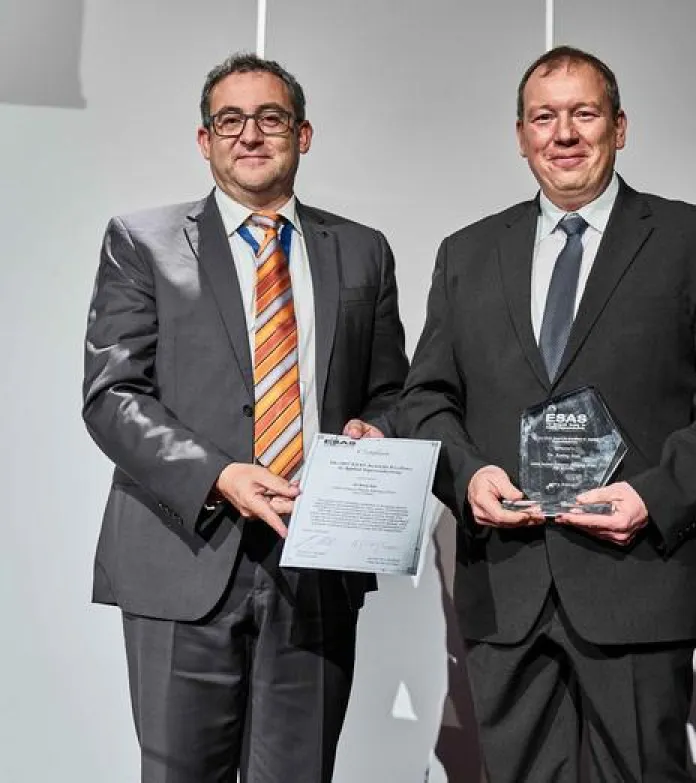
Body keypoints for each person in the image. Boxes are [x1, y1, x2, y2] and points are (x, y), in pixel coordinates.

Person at [384, 46, 696, 781]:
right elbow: (425, 398)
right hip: (507, 590)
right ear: (521, 134)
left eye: (584, 113)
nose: (563, 133)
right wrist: (467, 478)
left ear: (620, 127)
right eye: (544, 116)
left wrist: (655, 497)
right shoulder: (465, 253)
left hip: (636, 584)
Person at [82, 52, 409, 782]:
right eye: (230, 120)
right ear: (205, 140)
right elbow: (112, 394)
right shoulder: (143, 242)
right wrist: (220, 474)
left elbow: (393, 391)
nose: (250, 135)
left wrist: (379, 430)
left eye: (271, 118)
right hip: (182, 556)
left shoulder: (361, 251)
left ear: (303, 134)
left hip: (315, 562)